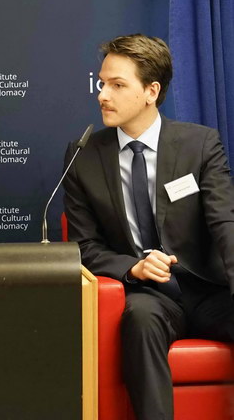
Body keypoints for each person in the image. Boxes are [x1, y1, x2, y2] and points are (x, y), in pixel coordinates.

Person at [63, 34, 234, 420]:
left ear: (151, 91)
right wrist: (133, 267)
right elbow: (83, 246)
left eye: (117, 85)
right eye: (102, 83)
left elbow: (225, 221)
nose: (102, 95)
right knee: (139, 319)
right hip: (149, 296)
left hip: (209, 290)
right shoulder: (82, 157)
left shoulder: (199, 144)